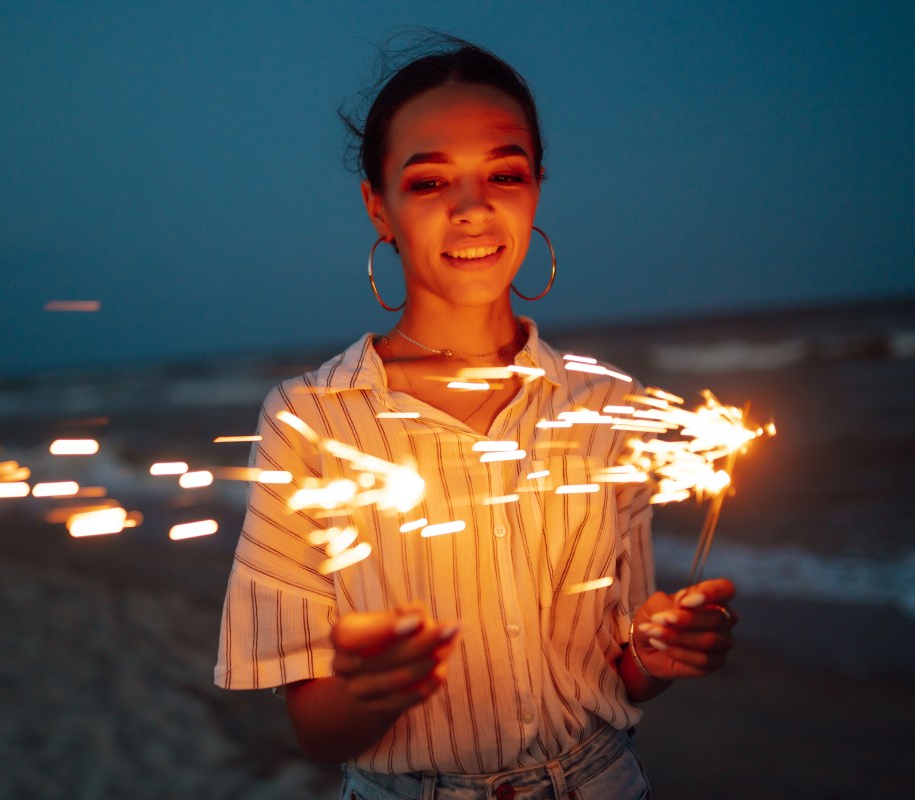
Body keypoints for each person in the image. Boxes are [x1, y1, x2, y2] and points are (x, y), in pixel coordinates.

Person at [215, 35, 737, 799]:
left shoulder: (602, 406)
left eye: (505, 173)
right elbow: (316, 731)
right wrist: (372, 687)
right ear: (378, 207)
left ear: (535, 190)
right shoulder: (314, 420)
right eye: (429, 182)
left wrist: (659, 652)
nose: (473, 209)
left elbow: (614, 675)